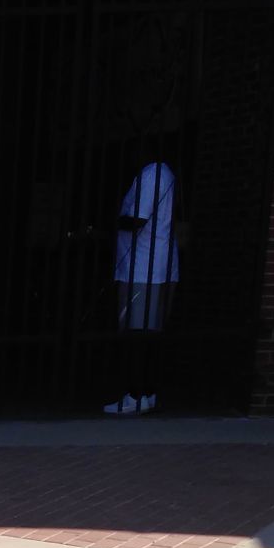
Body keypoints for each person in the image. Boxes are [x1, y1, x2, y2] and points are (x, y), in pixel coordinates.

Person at [104, 158, 180, 416]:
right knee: (149, 334)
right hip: (155, 266)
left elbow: (137, 218)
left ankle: (135, 395)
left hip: (143, 267)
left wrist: (108, 222)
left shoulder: (151, 174)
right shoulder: (165, 173)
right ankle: (146, 393)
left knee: (136, 334)